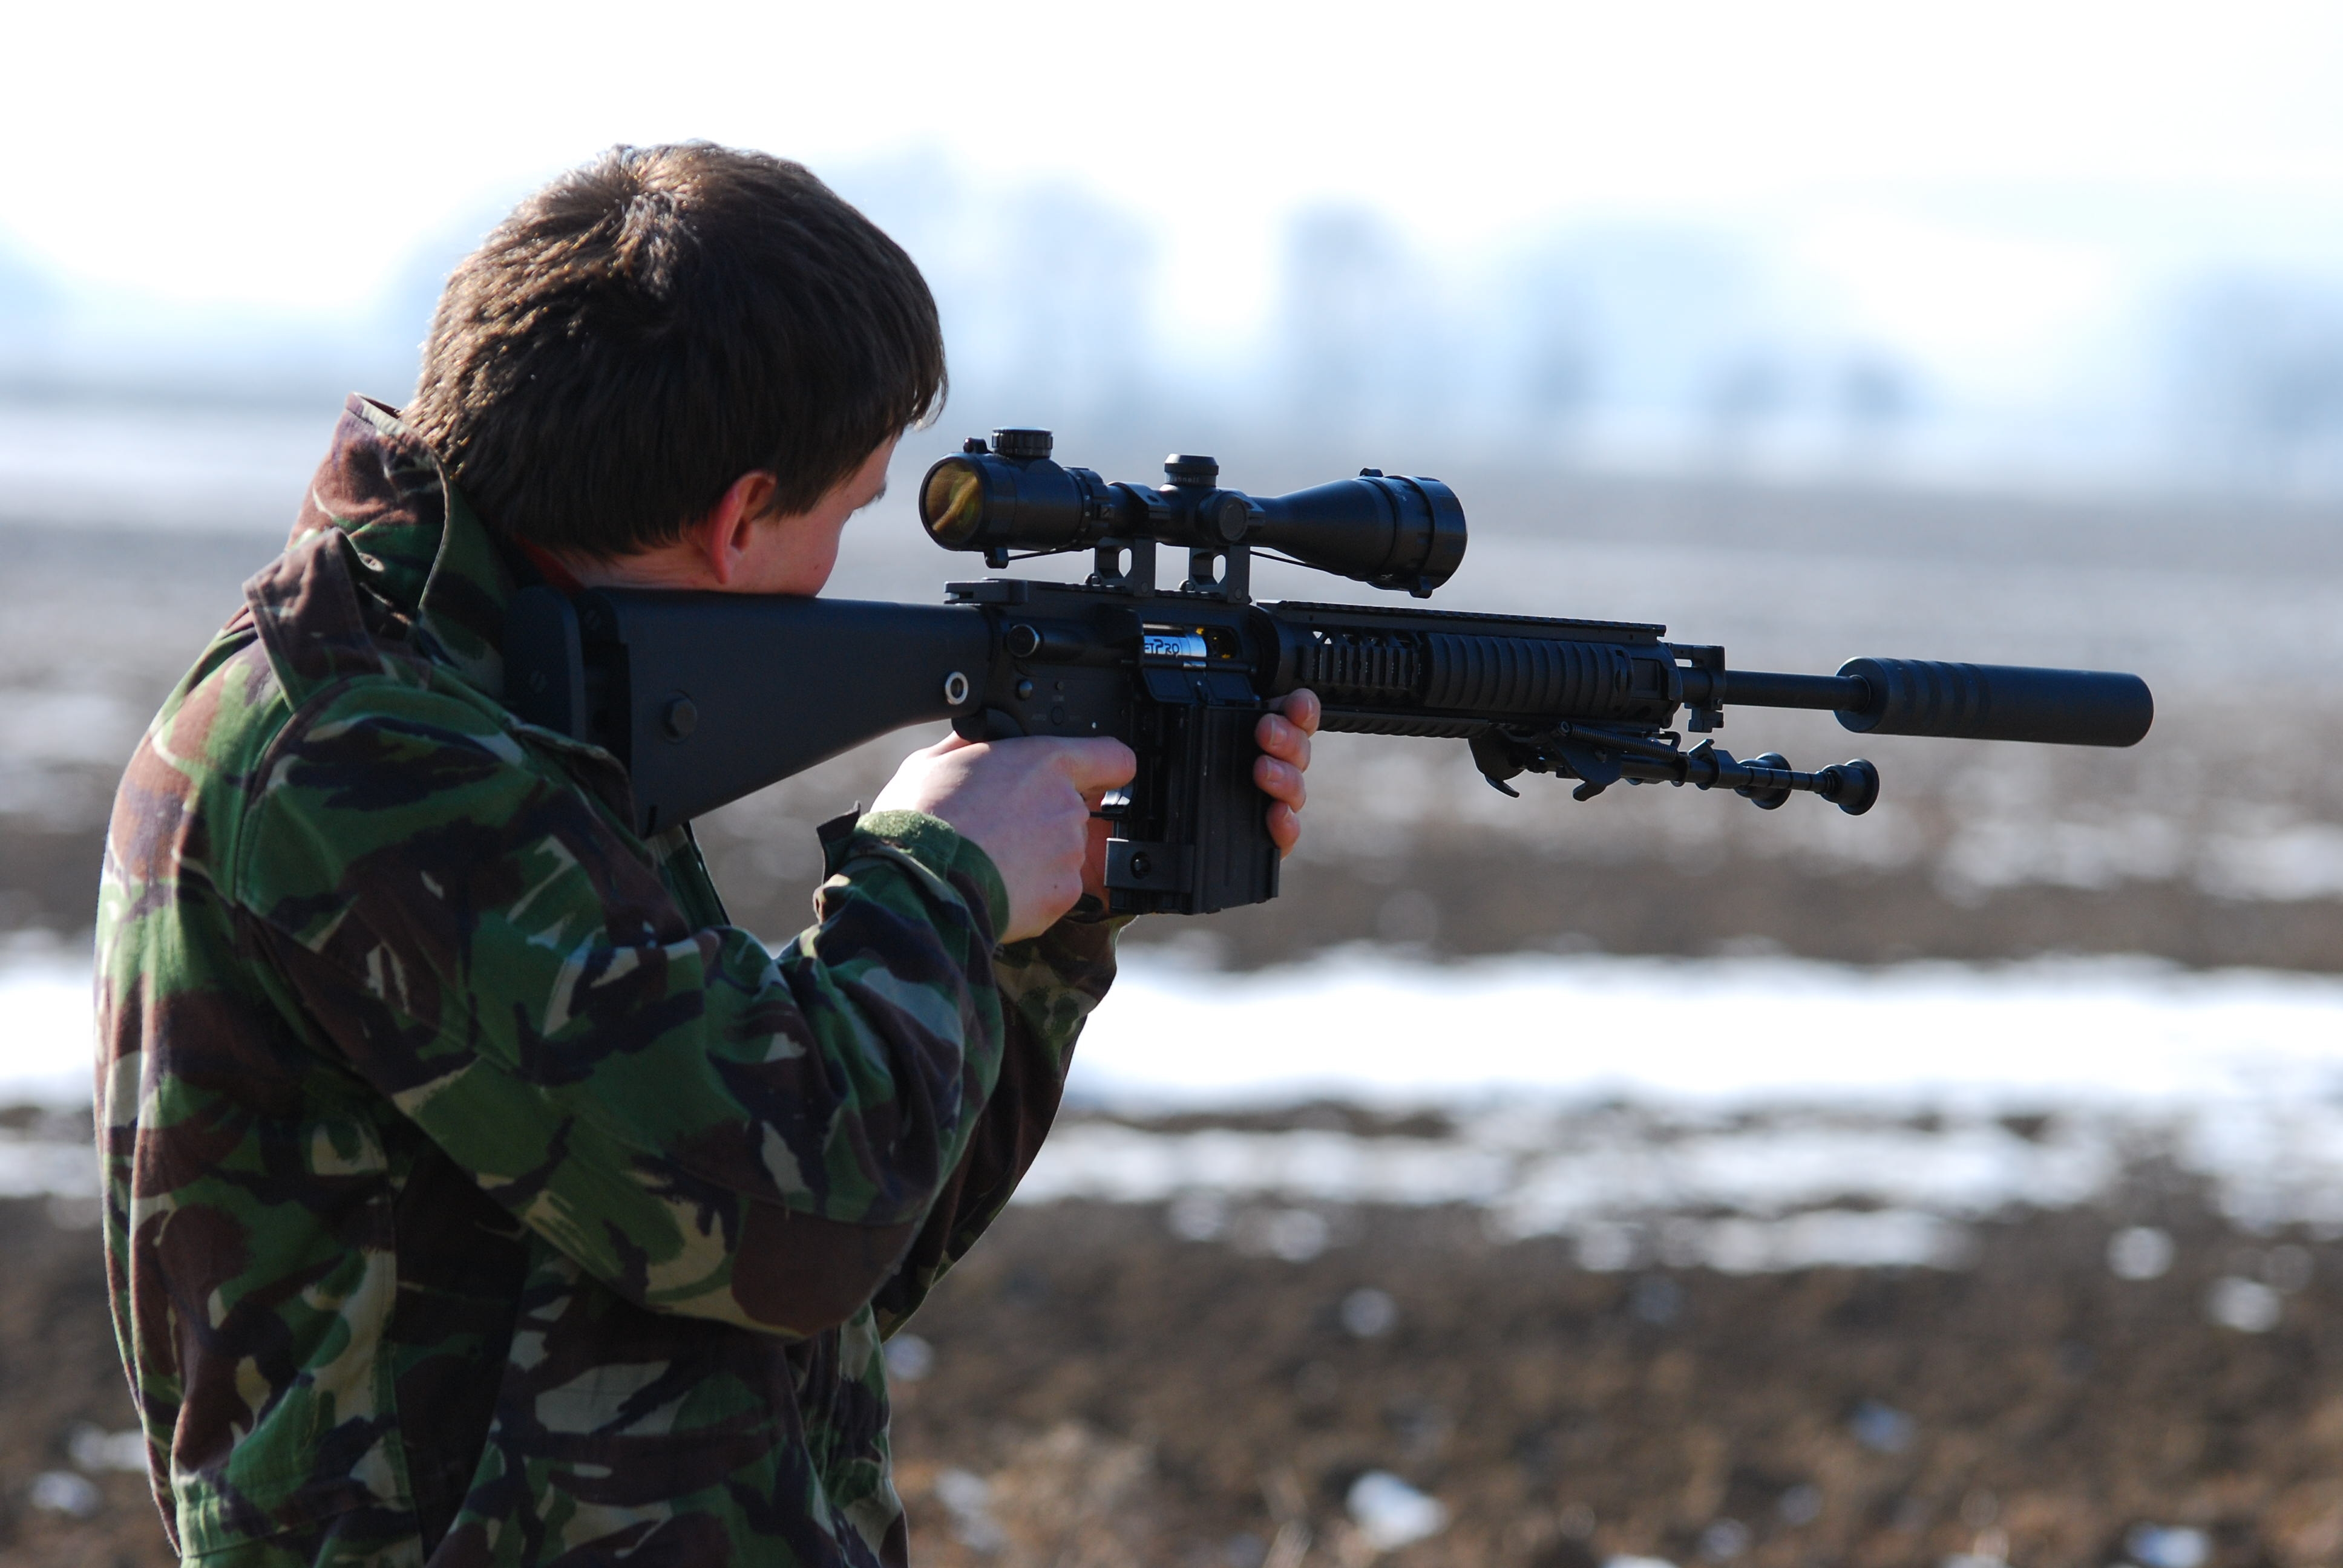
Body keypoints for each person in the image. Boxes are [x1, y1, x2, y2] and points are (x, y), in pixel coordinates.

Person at [94, 143, 1318, 1567]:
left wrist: (1038, 926)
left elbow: (830, 1259)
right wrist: (937, 878)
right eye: (848, 511)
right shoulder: (364, 758)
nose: (839, 567)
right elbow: (788, 1224)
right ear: (739, 520)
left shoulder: (508, 696)